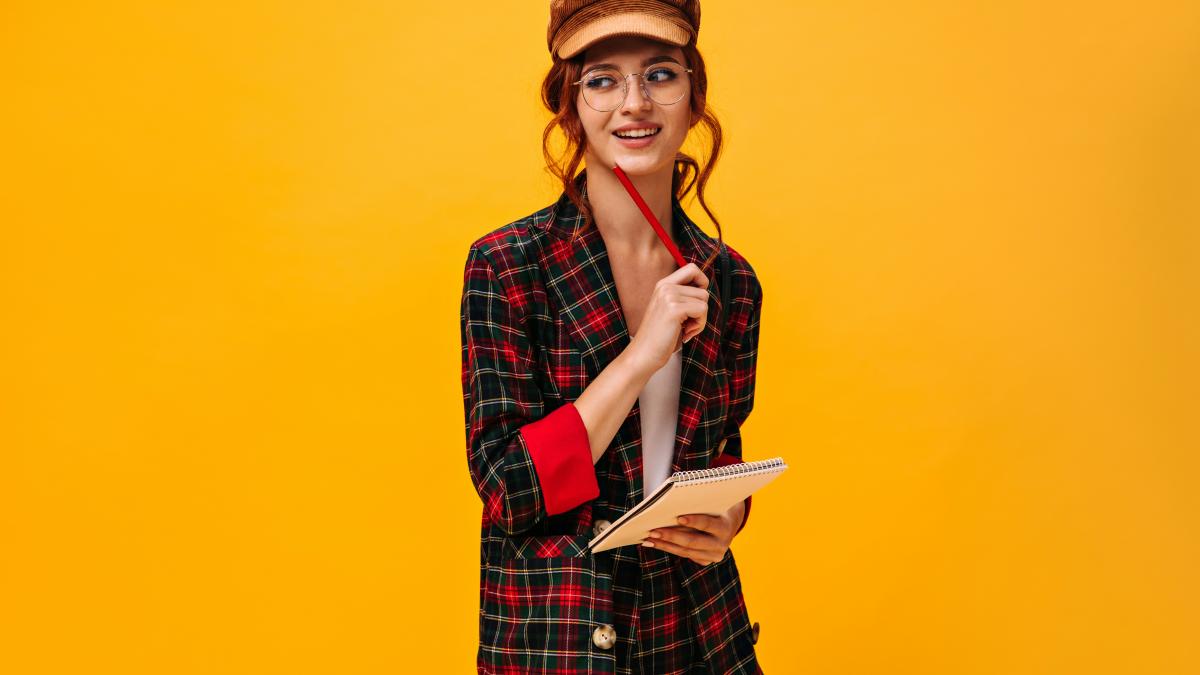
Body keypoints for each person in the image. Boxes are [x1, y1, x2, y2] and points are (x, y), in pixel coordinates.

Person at [459, 1, 764, 672]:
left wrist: (729, 515)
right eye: (602, 79)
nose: (635, 103)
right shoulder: (508, 266)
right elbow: (509, 489)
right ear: (570, 105)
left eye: (660, 74)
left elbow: (722, 450)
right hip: (565, 637)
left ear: (693, 97)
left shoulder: (731, 279)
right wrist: (640, 356)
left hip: (699, 634)